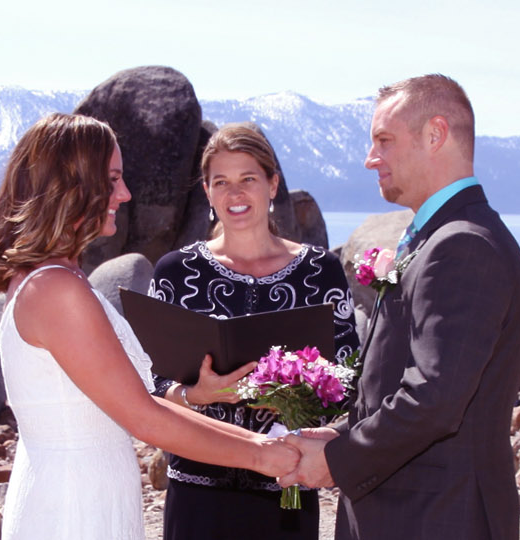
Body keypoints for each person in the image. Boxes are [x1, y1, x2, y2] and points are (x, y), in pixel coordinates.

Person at [0, 113, 300, 540]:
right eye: (112, 179)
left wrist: (196, 398)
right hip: (74, 506)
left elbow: (129, 400)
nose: (125, 193)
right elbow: (144, 419)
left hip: (82, 489)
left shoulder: (53, 277)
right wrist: (263, 456)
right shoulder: (56, 290)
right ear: (71, 186)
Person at [279, 74, 520, 539]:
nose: (370, 158)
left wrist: (336, 462)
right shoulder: (442, 235)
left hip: (437, 519)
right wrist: (339, 433)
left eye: (384, 141)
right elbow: (399, 381)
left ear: (435, 134)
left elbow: (434, 399)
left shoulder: (463, 245)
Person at [146, 123, 360, 540]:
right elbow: (150, 388)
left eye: (248, 179)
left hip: (286, 490)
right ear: (207, 193)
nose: (235, 194)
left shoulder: (320, 272)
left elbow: (349, 378)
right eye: (221, 182)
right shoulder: (175, 272)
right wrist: (196, 394)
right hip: (196, 494)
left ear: (272, 184)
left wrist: (301, 402)